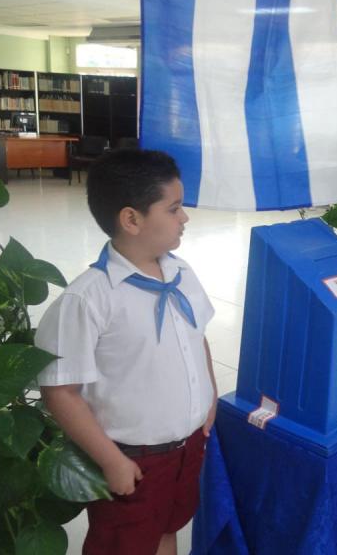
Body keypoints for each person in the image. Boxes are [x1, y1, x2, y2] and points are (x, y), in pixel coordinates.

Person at [36, 149, 218, 555]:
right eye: (173, 209)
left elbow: (198, 334)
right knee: (125, 544)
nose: (184, 217)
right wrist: (111, 461)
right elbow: (60, 391)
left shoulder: (181, 272)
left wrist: (209, 398)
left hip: (186, 448)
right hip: (134, 460)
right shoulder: (90, 299)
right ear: (131, 219)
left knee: (167, 529)